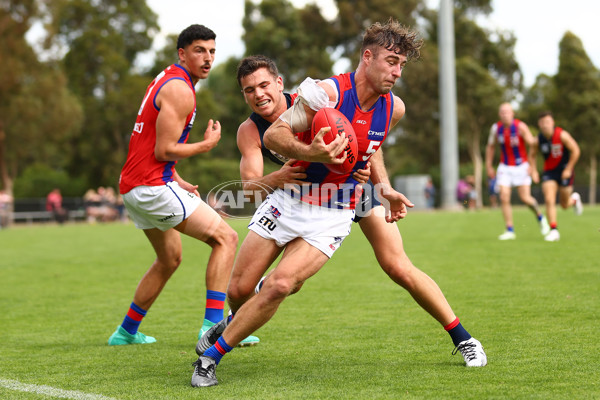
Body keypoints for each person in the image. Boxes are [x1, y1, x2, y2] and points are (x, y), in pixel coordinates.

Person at [191, 21, 486, 387]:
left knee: (393, 267)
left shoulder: (394, 108)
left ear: (279, 85)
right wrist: (308, 154)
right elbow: (274, 141)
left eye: (401, 65)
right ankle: (238, 319)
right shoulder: (320, 96)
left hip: (344, 200)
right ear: (367, 57)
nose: (397, 72)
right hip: (294, 199)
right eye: (391, 61)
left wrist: (385, 187)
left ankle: (464, 338)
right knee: (240, 290)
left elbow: (369, 145)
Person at [107, 24, 240, 347]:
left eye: (211, 51)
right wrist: (205, 145)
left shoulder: (167, 78)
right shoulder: (180, 89)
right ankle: (212, 329)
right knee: (227, 237)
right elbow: (163, 149)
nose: (207, 58)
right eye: (199, 51)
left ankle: (125, 332)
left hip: (134, 187)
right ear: (182, 53)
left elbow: (150, 145)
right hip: (151, 187)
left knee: (170, 258)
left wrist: (178, 180)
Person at [485, 102, 550, 240]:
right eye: (502, 112)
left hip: (521, 166)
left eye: (507, 112)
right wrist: (489, 165)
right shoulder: (496, 129)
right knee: (504, 196)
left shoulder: (520, 127)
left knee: (525, 199)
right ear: (499, 115)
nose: (504, 115)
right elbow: (490, 146)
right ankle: (509, 229)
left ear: (512, 113)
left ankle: (540, 217)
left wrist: (532, 167)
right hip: (505, 167)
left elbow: (532, 145)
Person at [530, 111, 583, 242]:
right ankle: (554, 230)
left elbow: (576, 150)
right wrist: (534, 171)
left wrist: (569, 168)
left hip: (565, 171)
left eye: (547, 122)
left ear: (552, 122)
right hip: (549, 173)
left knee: (565, 205)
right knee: (549, 199)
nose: (545, 125)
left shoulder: (562, 135)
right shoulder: (538, 140)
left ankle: (574, 200)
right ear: (539, 124)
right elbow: (531, 155)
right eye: (542, 123)